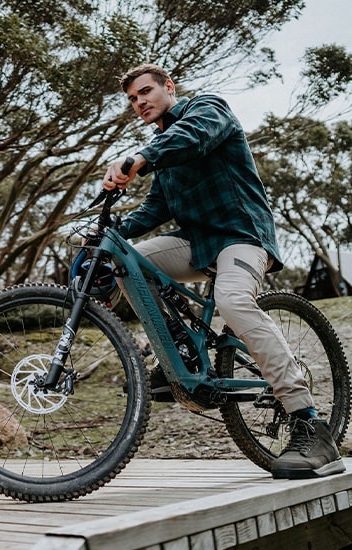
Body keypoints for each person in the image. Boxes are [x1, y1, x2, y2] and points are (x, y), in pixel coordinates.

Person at [102, 64, 345, 480]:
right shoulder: (163, 150)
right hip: (197, 244)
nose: (139, 102)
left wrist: (139, 158)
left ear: (169, 88)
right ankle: (177, 353)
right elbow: (155, 210)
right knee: (126, 259)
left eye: (145, 92)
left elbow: (193, 137)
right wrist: (105, 236)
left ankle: (311, 425)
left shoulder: (208, 110)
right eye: (132, 99)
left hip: (242, 236)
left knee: (233, 300)